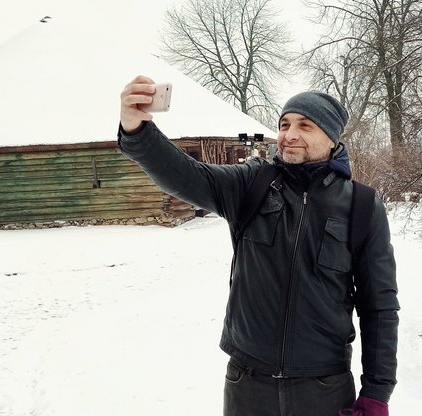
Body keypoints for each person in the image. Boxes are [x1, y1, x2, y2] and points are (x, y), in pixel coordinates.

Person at [117, 76, 399, 416]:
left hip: (323, 388)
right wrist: (137, 132)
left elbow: (379, 306)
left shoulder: (362, 205)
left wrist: (376, 392)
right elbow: (188, 176)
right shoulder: (253, 183)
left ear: (331, 138)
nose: (289, 134)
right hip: (248, 384)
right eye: (284, 124)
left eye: (305, 125)